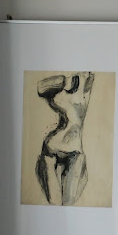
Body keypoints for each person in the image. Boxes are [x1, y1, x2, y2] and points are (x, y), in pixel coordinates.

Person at [35, 71, 94, 205]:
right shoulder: (62, 84)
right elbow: (40, 87)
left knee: (68, 202)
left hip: (75, 149)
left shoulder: (86, 81)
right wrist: (64, 81)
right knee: (54, 202)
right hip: (53, 146)